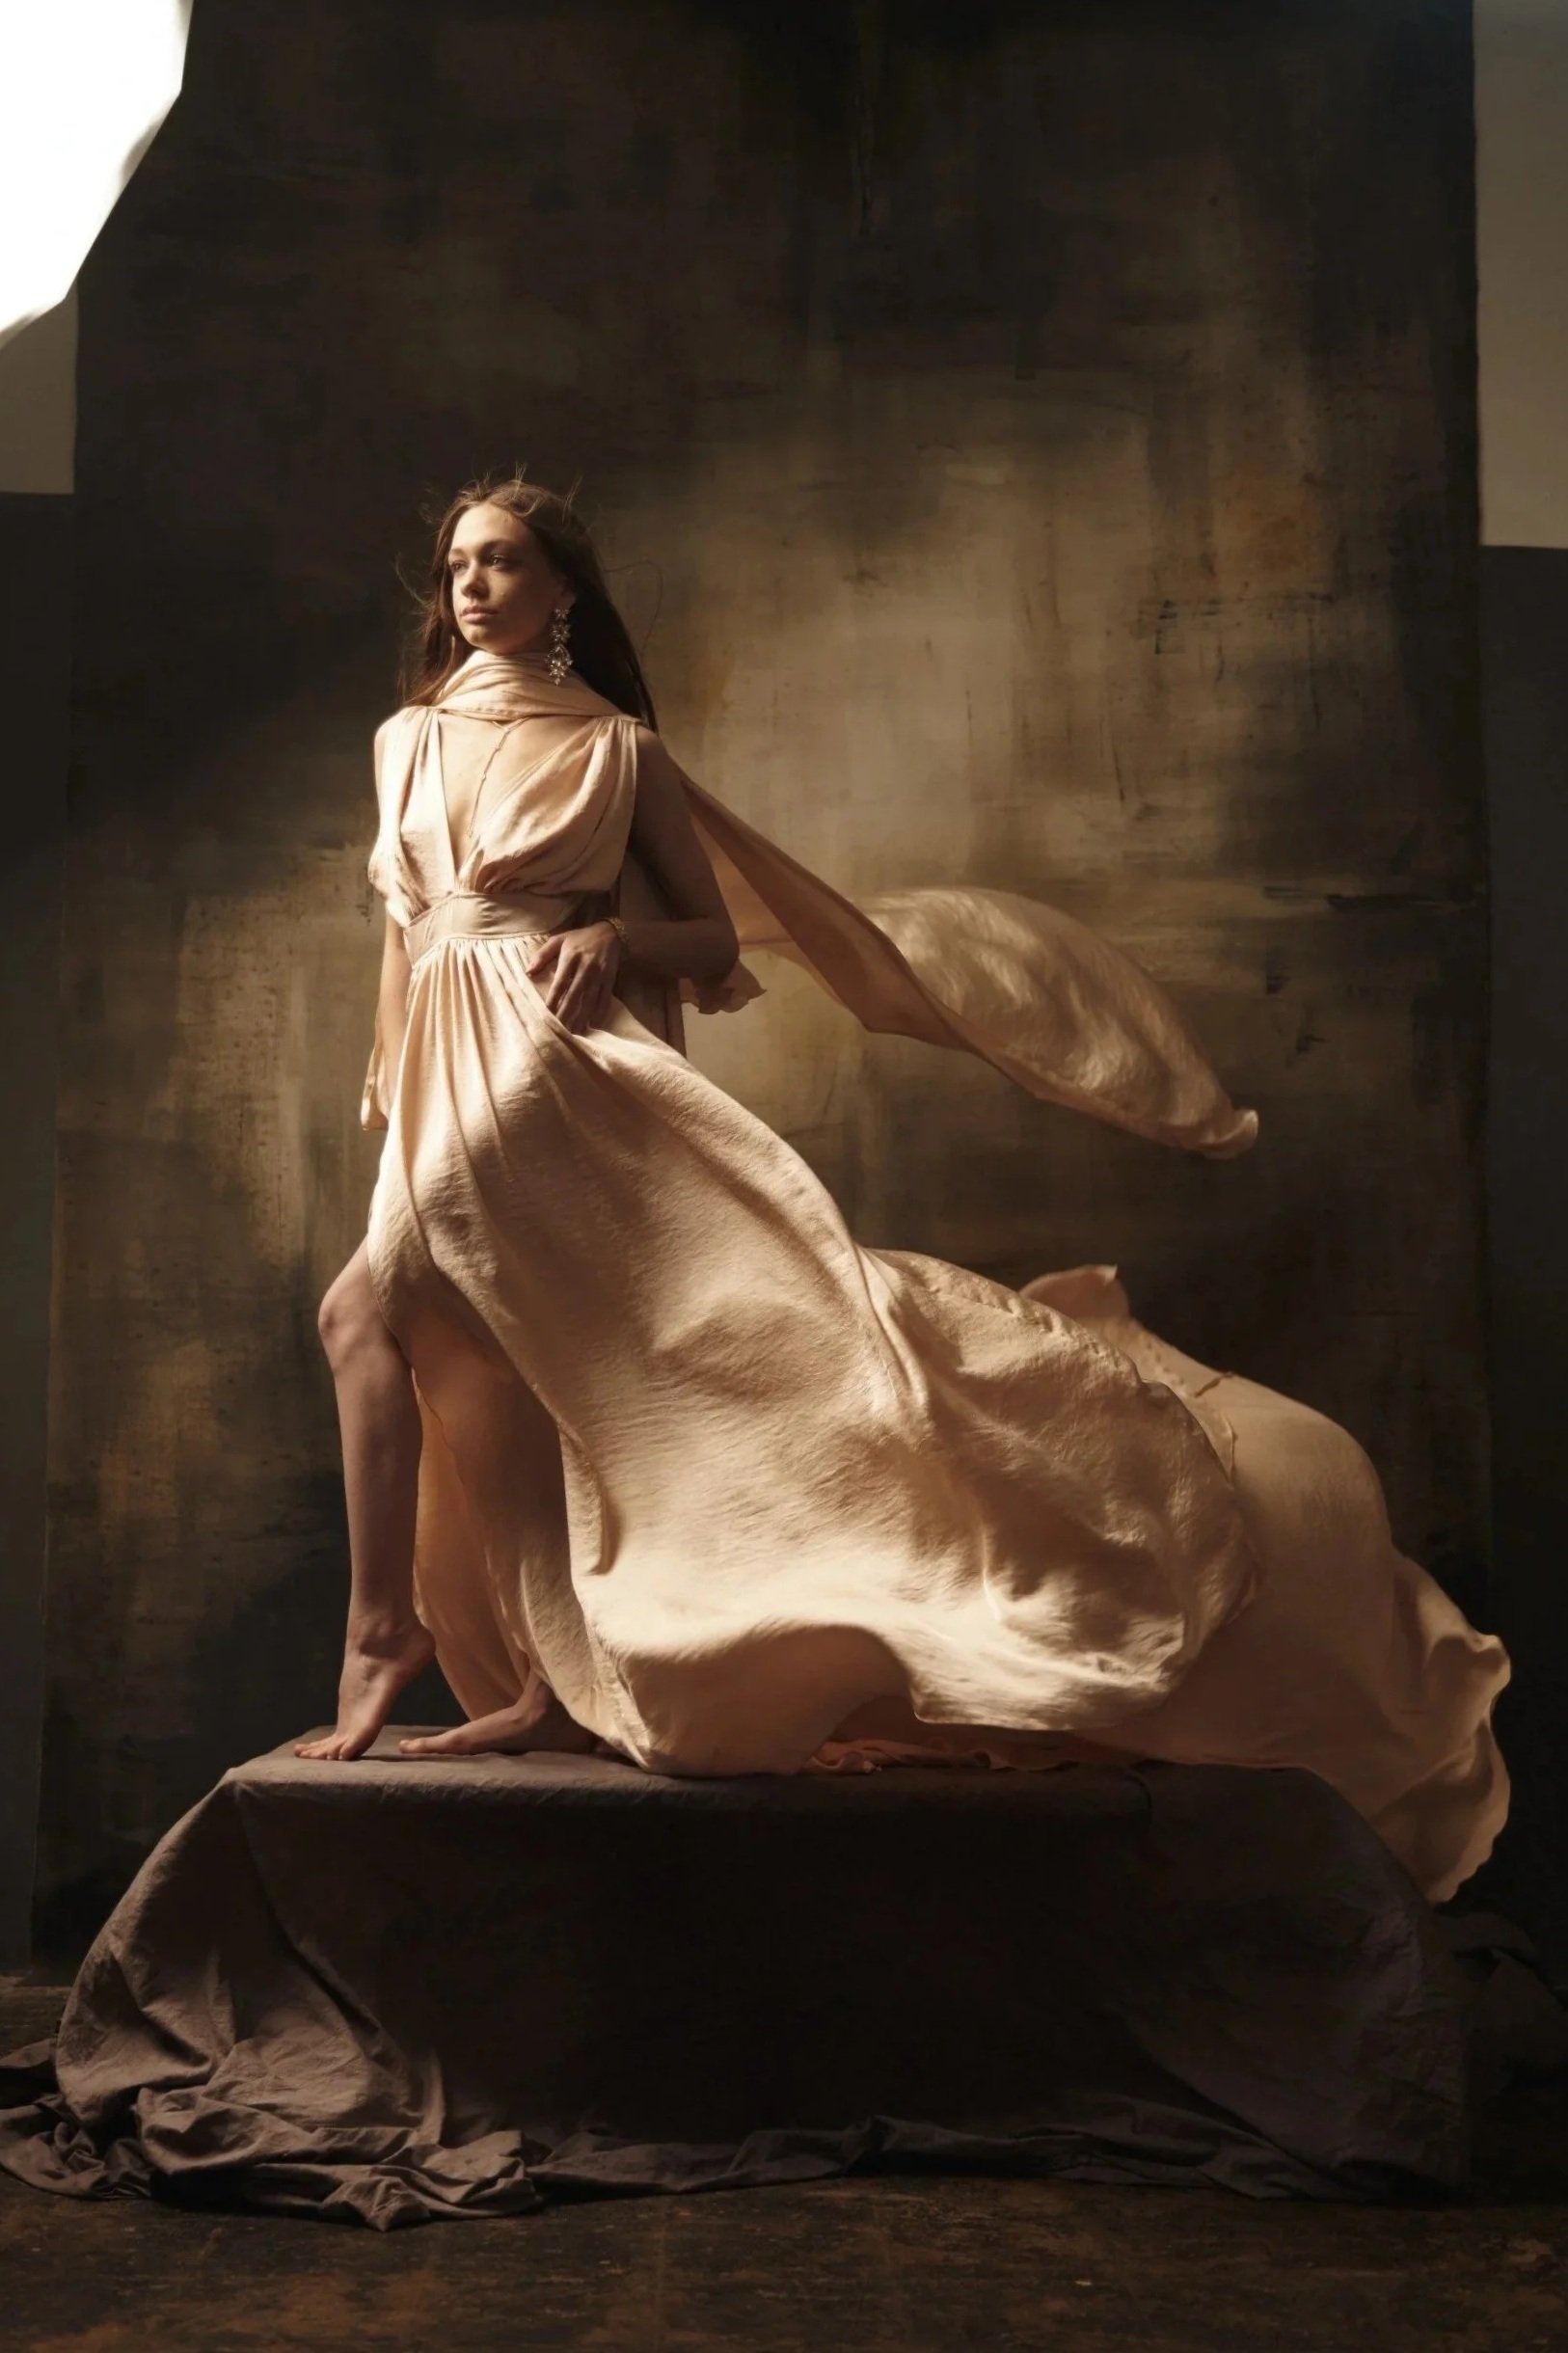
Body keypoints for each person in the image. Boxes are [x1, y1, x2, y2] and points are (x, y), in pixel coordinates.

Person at [296, 471, 1508, 1906]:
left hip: (544, 1063)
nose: (472, 590)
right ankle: (492, 1646)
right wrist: (384, 1085)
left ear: (564, 592)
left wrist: (614, 946)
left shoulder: (619, 753)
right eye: (455, 569)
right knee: (449, 1341)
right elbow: (405, 932)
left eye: (501, 563)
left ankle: (394, 1632)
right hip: (438, 1062)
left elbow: (703, 941)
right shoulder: (403, 741)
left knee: (384, 1318)